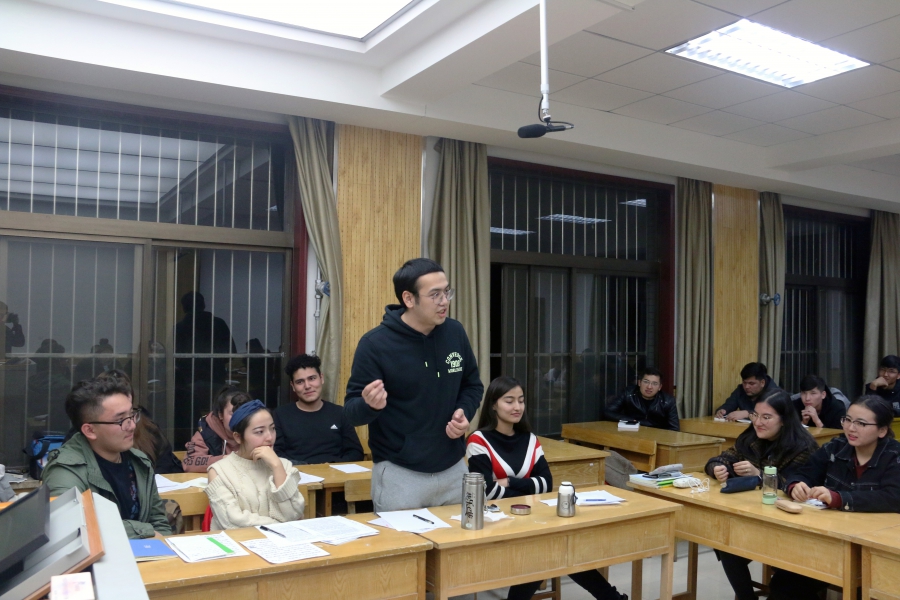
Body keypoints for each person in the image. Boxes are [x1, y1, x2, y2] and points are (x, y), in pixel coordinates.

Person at [466, 376, 627, 600]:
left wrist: (509, 482)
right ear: (493, 405)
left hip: (531, 518)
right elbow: (487, 491)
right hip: (496, 522)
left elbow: (546, 484)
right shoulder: (478, 440)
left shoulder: (530, 439)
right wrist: (527, 487)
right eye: (509, 401)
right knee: (550, 552)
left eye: (521, 400)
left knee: (557, 550)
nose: (517, 407)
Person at [344, 258, 483, 513]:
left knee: (465, 537)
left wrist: (464, 411)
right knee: (403, 540)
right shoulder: (375, 344)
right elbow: (351, 413)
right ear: (409, 299)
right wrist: (369, 405)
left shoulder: (455, 332)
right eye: (435, 294)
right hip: (400, 474)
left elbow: (472, 385)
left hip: (454, 468)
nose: (444, 301)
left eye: (447, 292)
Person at [777, 396, 900, 599]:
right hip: (832, 542)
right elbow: (802, 473)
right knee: (784, 584)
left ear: (882, 430)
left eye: (861, 423)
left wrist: (839, 498)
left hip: (876, 548)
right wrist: (795, 485)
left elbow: (893, 497)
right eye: (847, 420)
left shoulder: (894, 456)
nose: (851, 428)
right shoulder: (836, 447)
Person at [704, 390, 818, 600]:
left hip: (789, 524)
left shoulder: (802, 447)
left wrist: (760, 475)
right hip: (756, 513)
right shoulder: (751, 436)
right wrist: (717, 468)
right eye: (755, 415)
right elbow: (723, 457)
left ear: (783, 420)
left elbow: (793, 485)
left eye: (766, 417)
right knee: (725, 540)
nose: (757, 422)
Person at [42, 376, 172, 539]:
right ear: (90, 430)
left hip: (145, 552)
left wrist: (160, 544)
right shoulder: (65, 470)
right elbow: (71, 525)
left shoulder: (140, 462)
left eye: (132, 415)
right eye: (120, 420)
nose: (132, 425)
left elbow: (160, 524)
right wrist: (145, 532)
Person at [205, 397, 305, 530]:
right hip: (240, 541)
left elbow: (294, 513)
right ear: (238, 437)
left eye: (272, 429)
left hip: (281, 540)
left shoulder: (283, 465)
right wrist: (281, 524)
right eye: (259, 432)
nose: (270, 437)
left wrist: (277, 467)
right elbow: (231, 523)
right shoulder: (219, 472)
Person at [274, 354, 363, 465]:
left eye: (312, 378)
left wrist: (332, 465)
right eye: (300, 382)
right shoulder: (280, 415)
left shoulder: (340, 413)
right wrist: (304, 466)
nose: (307, 386)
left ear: (321, 378)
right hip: (298, 473)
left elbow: (355, 453)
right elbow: (277, 454)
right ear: (293, 386)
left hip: (335, 473)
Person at [182, 385, 245, 472]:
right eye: (233, 413)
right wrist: (225, 460)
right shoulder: (206, 433)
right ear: (221, 415)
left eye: (244, 413)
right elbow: (189, 463)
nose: (239, 417)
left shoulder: (257, 431)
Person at [603, 366, 679, 431]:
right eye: (646, 382)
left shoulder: (668, 401)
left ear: (660, 387)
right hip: (632, 434)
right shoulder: (629, 394)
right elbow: (608, 412)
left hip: (656, 438)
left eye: (654, 383)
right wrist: (629, 420)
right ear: (639, 383)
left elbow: (674, 428)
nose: (649, 387)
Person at [714, 362, 780, 421]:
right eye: (744, 382)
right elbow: (729, 405)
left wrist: (748, 414)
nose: (746, 387)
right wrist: (722, 411)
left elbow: (773, 414)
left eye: (751, 383)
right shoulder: (740, 390)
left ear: (762, 383)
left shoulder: (775, 394)